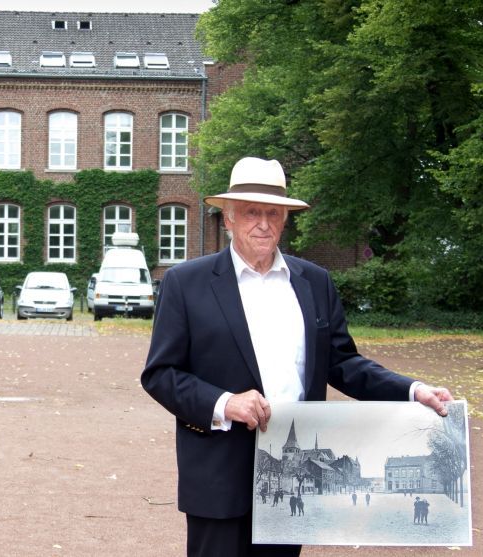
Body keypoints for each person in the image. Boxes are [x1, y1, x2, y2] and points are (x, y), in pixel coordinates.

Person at [140, 156, 453, 557]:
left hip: (296, 471)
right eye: (252, 212)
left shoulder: (314, 282)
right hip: (218, 472)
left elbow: (343, 362)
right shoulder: (187, 283)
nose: (264, 223)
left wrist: (412, 391)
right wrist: (225, 403)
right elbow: (160, 374)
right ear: (229, 217)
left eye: (274, 213)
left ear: (286, 219)